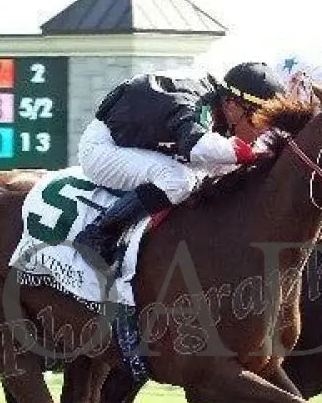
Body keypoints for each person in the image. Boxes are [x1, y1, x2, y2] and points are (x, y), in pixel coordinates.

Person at [73, 61, 287, 269]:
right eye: (259, 122)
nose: (262, 133)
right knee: (179, 180)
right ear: (232, 106)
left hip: (139, 146)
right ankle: (99, 234)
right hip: (103, 149)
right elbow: (197, 146)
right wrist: (254, 154)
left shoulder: (219, 104)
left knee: (215, 171)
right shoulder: (193, 104)